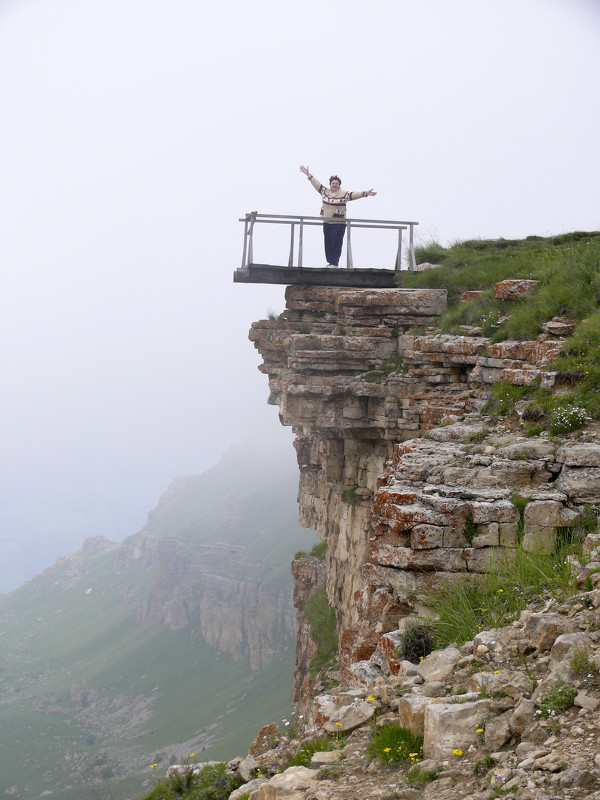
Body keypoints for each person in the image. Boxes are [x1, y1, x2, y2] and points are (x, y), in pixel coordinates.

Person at [299, 166, 376, 266]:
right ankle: (330, 262)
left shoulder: (343, 194)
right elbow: (316, 184)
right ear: (330, 184)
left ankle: (334, 262)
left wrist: (365, 193)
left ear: (339, 185)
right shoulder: (325, 192)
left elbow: (354, 195)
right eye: (333, 183)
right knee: (328, 243)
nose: (334, 185)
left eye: (336, 183)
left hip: (338, 223)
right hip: (327, 222)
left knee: (336, 243)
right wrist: (308, 175)